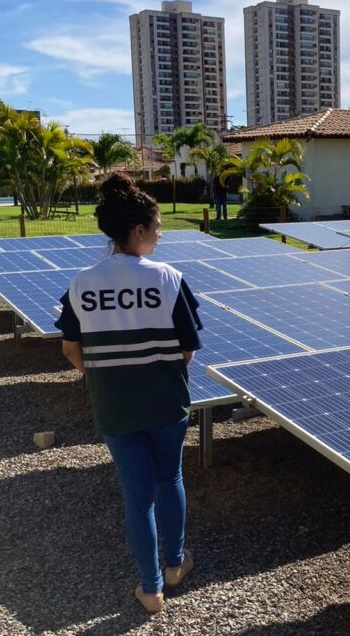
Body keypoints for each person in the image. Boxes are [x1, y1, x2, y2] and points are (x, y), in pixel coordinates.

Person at [55, 173, 203, 614]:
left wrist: (102, 376)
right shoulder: (169, 278)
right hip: (165, 401)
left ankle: (151, 588)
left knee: (136, 496)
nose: (160, 236)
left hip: (115, 405)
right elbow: (188, 348)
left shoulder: (81, 283)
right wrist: (160, 374)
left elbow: (69, 349)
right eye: (157, 228)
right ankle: (176, 566)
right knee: (170, 479)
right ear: (138, 230)